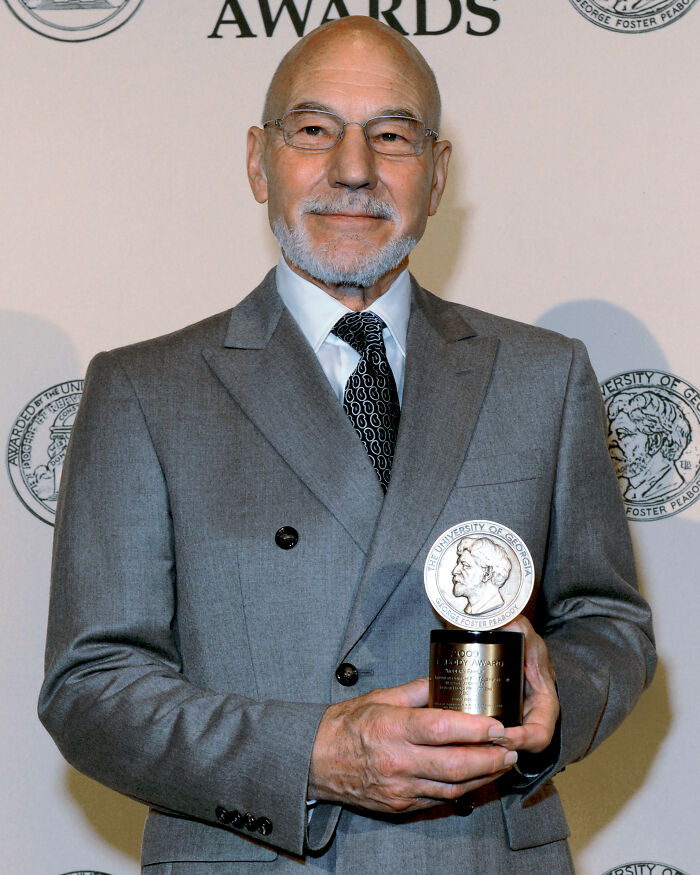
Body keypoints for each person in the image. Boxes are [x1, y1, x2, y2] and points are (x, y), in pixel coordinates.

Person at [39, 15, 656, 874]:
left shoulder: (543, 377)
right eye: (315, 129)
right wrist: (314, 754)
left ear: (437, 176)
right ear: (259, 160)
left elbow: (608, 623)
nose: (354, 169)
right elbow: (91, 689)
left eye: (392, 135)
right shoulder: (145, 390)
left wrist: (562, 694)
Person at [607, 390, 690, 501]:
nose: (610, 441)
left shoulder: (668, 490)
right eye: (610, 434)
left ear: (654, 442)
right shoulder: (632, 492)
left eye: (622, 434)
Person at [451, 536, 511, 615]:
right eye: (458, 564)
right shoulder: (471, 609)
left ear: (487, 574)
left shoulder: (491, 605)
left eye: (465, 565)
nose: (454, 571)